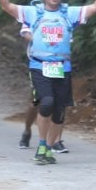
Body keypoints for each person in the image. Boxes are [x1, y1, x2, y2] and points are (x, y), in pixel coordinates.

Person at [0, 0, 96, 164]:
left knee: (59, 111)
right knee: (46, 102)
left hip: (62, 67)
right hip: (39, 65)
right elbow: (7, 6)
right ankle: (41, 145)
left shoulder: (68, 13)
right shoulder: (33, 12)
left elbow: (95, 8)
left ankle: (48, 146)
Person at [18, 24, 68, 154]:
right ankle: (27, 130)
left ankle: (56, 140)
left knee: (58, 102)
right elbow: (26, 33)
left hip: (58, 64)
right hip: (39, 65)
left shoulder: (63, 16)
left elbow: (66, 38)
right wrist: (42, 40)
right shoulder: (35, 13)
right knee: (37, 103)